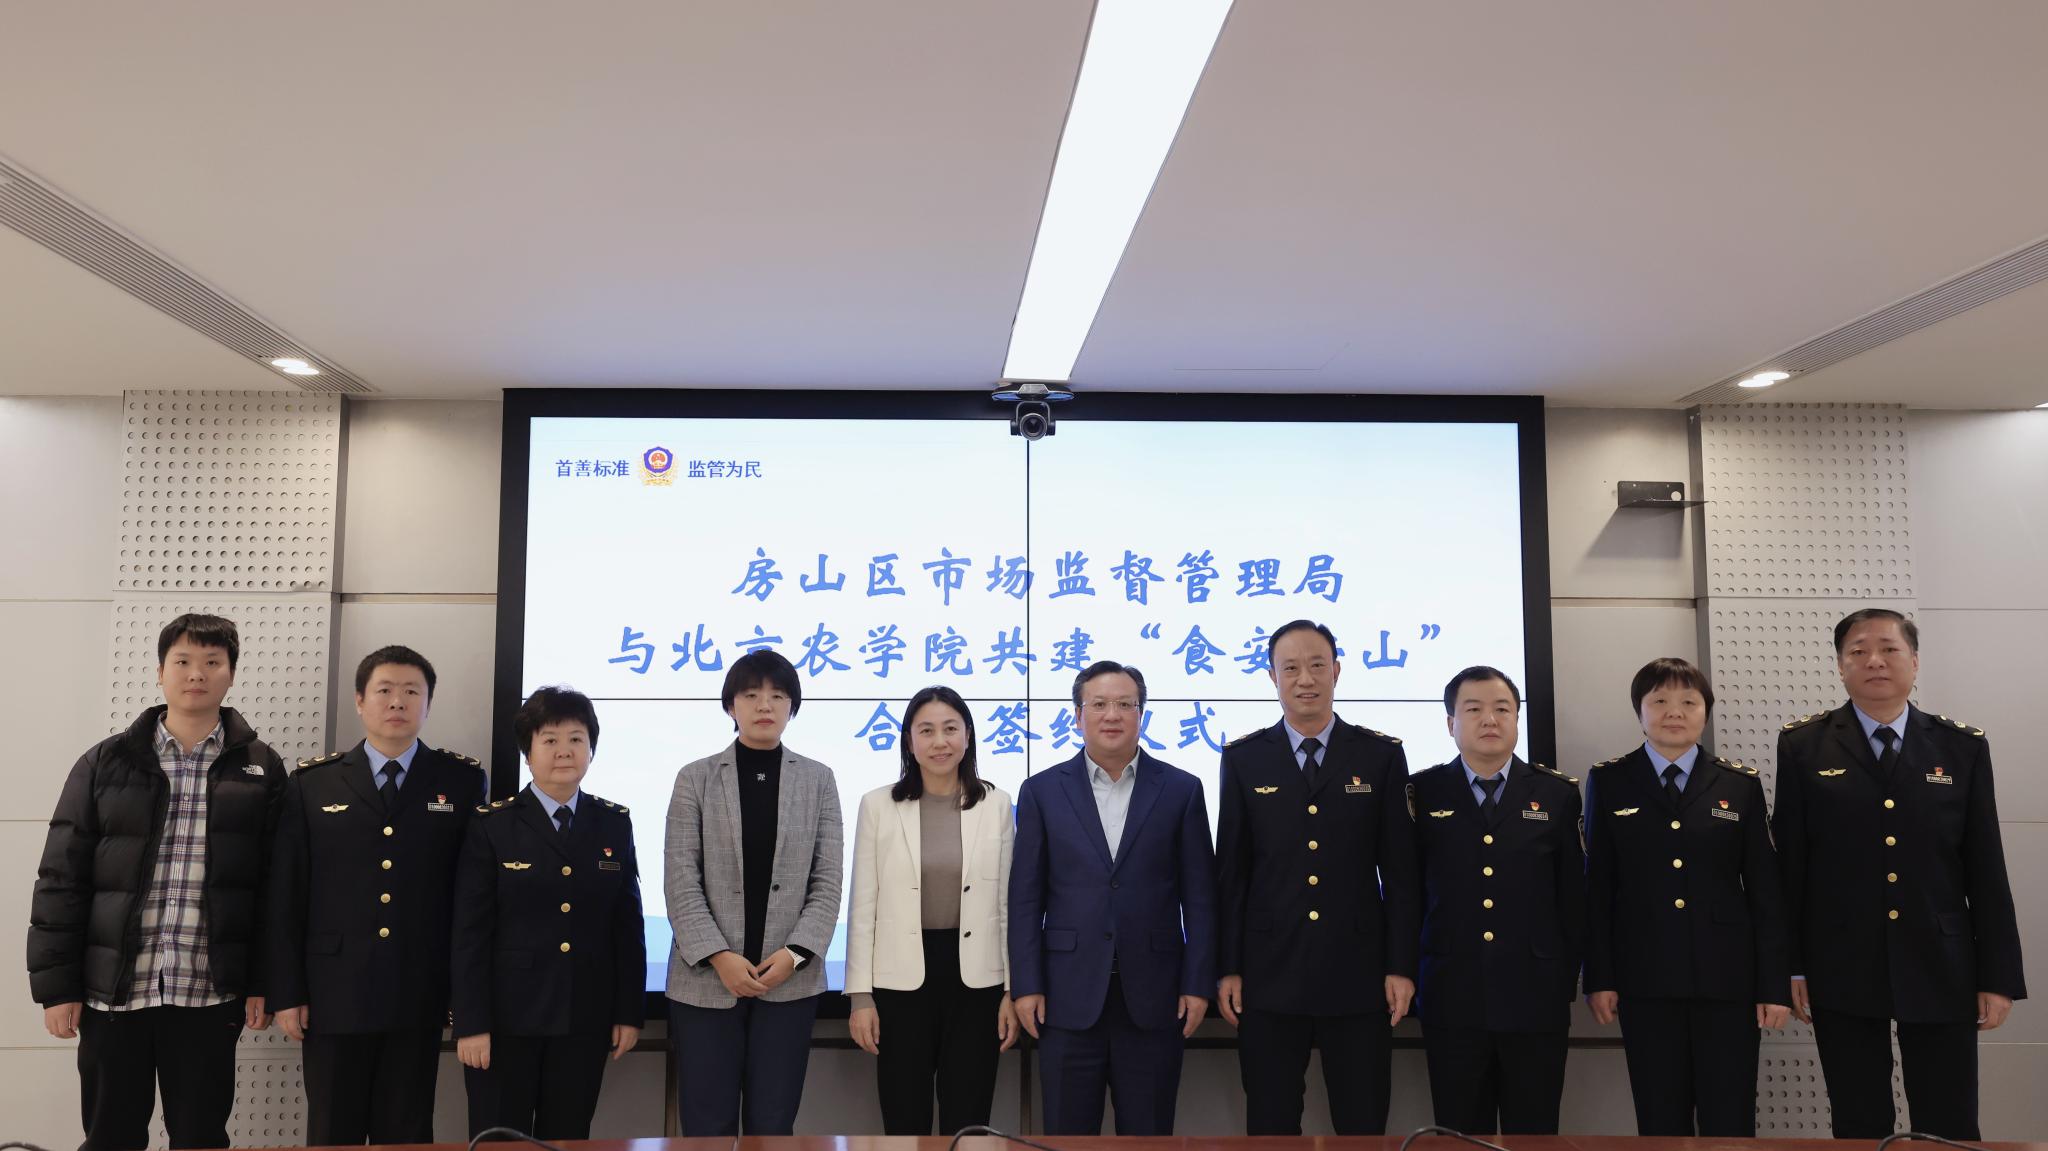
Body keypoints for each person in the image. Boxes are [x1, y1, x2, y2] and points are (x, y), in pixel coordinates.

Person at [29, 613, 284, 1151]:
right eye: (183, 661)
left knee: (200, 1137)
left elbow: (273, 890)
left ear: (231, 673)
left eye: (212, 662)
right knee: (110, 1137)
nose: (197, 674)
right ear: (160, 671)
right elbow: (61, 879)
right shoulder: (105, 762)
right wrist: (58, 988)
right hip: (114, 991)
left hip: (208, 991)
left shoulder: (260, 767)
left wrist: (263, 981)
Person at [1772, 608, 2026, 1140]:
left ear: (1914, 661)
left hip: (1941, 962)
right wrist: (1791, 967)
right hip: (1841, 960)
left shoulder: (1961, 747)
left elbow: (1985, 867)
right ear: (1840, 665)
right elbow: (1791, 867)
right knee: (1859, 1119)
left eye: (1889, 649)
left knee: (1950, 1118)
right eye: (1858, 651)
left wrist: (1997, 977)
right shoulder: (1803, 746)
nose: (1875, 661)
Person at [266, 645, 487, 1144]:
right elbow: (286, 896)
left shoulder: (461, 781)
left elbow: (470, 899)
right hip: (332, 993)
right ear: (360, 701)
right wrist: (287, 992)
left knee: (407, 1130)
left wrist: (463, 996)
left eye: (411, 692)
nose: (397, 702)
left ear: (428, 704)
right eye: (384, 690)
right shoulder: (313, 783)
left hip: (418, 989)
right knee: (332, 1130)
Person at [1214, 620, 1418, 1134]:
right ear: (1272, 677)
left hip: (1359, 972)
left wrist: (1400, 965)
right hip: (1268, 973)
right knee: (1271, 1121)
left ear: (1337, 671)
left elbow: (1400, 873)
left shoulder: (1379, 755)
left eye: (1316, 665)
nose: (1305, 679)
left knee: (1362, 1120)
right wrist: (1229, 967)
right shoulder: (1243, 758)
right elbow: (1232, 874)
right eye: (1290, 668)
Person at [1582, 657, 1791, 1136]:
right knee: (1660, 1120)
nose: (1674, 712)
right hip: (1644, 980)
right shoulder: (1610, 781)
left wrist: (1773, 985)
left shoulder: (1739, 784)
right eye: (1659, 700)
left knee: (1730, 1120)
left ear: (1705, 712)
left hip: (1728, 983)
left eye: (1688, 702)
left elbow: (1765, 893)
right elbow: (1598, 888)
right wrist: (1600, 977)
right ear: (1640, 711)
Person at [1008, 660, 1217, 1136]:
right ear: (1077, 715)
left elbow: (1201, 899)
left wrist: (1197, 983)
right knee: (1067, 1137)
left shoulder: (1181, 790)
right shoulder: (1042, 791)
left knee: (1148, 1137)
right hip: (1066, 998)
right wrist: (1027, 983)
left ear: (1141, 714)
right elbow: (1025, 900)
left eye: (1125, 704)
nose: (1112, 714)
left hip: (1155, 998)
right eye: (1099, 704)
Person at [453, 686, 645, 1139]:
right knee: (500, 1140)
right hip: (505, 1023)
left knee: (568, 1137)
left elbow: (627, 927)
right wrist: (471, 1023)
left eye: (577, 739)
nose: (564, 751)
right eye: (550, 739)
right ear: (528, 753)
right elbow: (469, 933)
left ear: (591, 750)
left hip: (584, 1019)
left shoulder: (613, 823)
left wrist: (628, 1012)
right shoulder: (492, 824)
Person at [665, 649, 843, 1136]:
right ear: (731, 705)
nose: (765, 705)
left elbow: (827, 883)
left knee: (773, 1125)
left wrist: (795, 955)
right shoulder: (695, 777)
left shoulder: (819, 780)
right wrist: (720, 956)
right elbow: (680, 879)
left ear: (792, 707)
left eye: (778, 695)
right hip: (705, 983)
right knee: (707, 1127)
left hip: (789, 984)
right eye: (751, 694)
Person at [1408, 666, 1584, 1135]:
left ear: (1517, 718)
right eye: (1474, 709)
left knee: (1535, 1131)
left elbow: (1572, 899)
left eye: (1502, 708)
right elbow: (1408, 894)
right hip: (1451, 993)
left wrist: (1564, 980)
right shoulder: (1421, 793)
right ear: (1451, 723)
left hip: (1536, 996)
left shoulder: (1557, 793)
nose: (1490, 719)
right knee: (1460, 1133)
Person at [845, 685, 1020, 1134]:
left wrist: (1010, 991)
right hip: (900, 983)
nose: (939, 741)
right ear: (909, 741)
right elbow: (863, 906)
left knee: (969, 1118)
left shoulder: (997, 804)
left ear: (968, 736)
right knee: (905, 1120)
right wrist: (860, 997)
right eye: (926, 731)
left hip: (977, 983)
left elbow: (1008, 904)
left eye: (950, 729)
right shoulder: (878, 805)